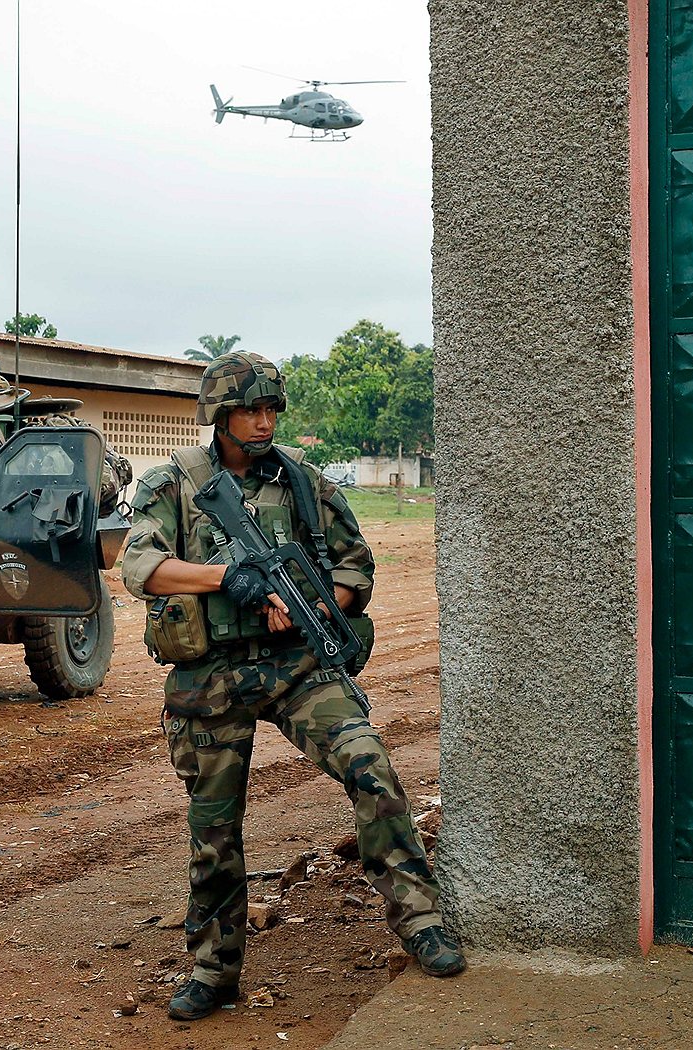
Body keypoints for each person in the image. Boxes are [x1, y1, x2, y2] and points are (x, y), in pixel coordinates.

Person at [121, 351, 464, 1022]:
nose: (263, 420)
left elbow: (356, 567)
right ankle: (214, 970)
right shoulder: (176, 484)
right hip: (213, 674)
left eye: (272, 409)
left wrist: (308, 600)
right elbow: (142, 566)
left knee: (371, 767)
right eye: (250, 409)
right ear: (219, 416)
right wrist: (230, 581)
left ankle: (421, 920)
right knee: (214, 825)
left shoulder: (305, 484)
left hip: (297, 666)